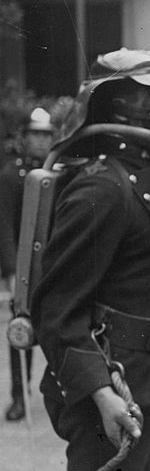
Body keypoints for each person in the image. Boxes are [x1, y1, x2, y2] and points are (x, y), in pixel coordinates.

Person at [30, 48, 150, 471]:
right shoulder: (103, 186)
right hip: (110, 388)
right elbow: (57, 310)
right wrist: (101, 394)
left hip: (143, 380)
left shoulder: (145, 173)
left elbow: (143, 265)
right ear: (121, 107)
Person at [0, 107, 54, 421]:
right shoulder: (11, 175)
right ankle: (20, 395)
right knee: (21, 327)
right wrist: (9, 270)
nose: (40, 141)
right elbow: (5, 227)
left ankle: (59, 390)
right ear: (24, 138)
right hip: (23, 265)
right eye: (35, 134)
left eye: (46, 134)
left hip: (53, 263)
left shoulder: (59, 170)